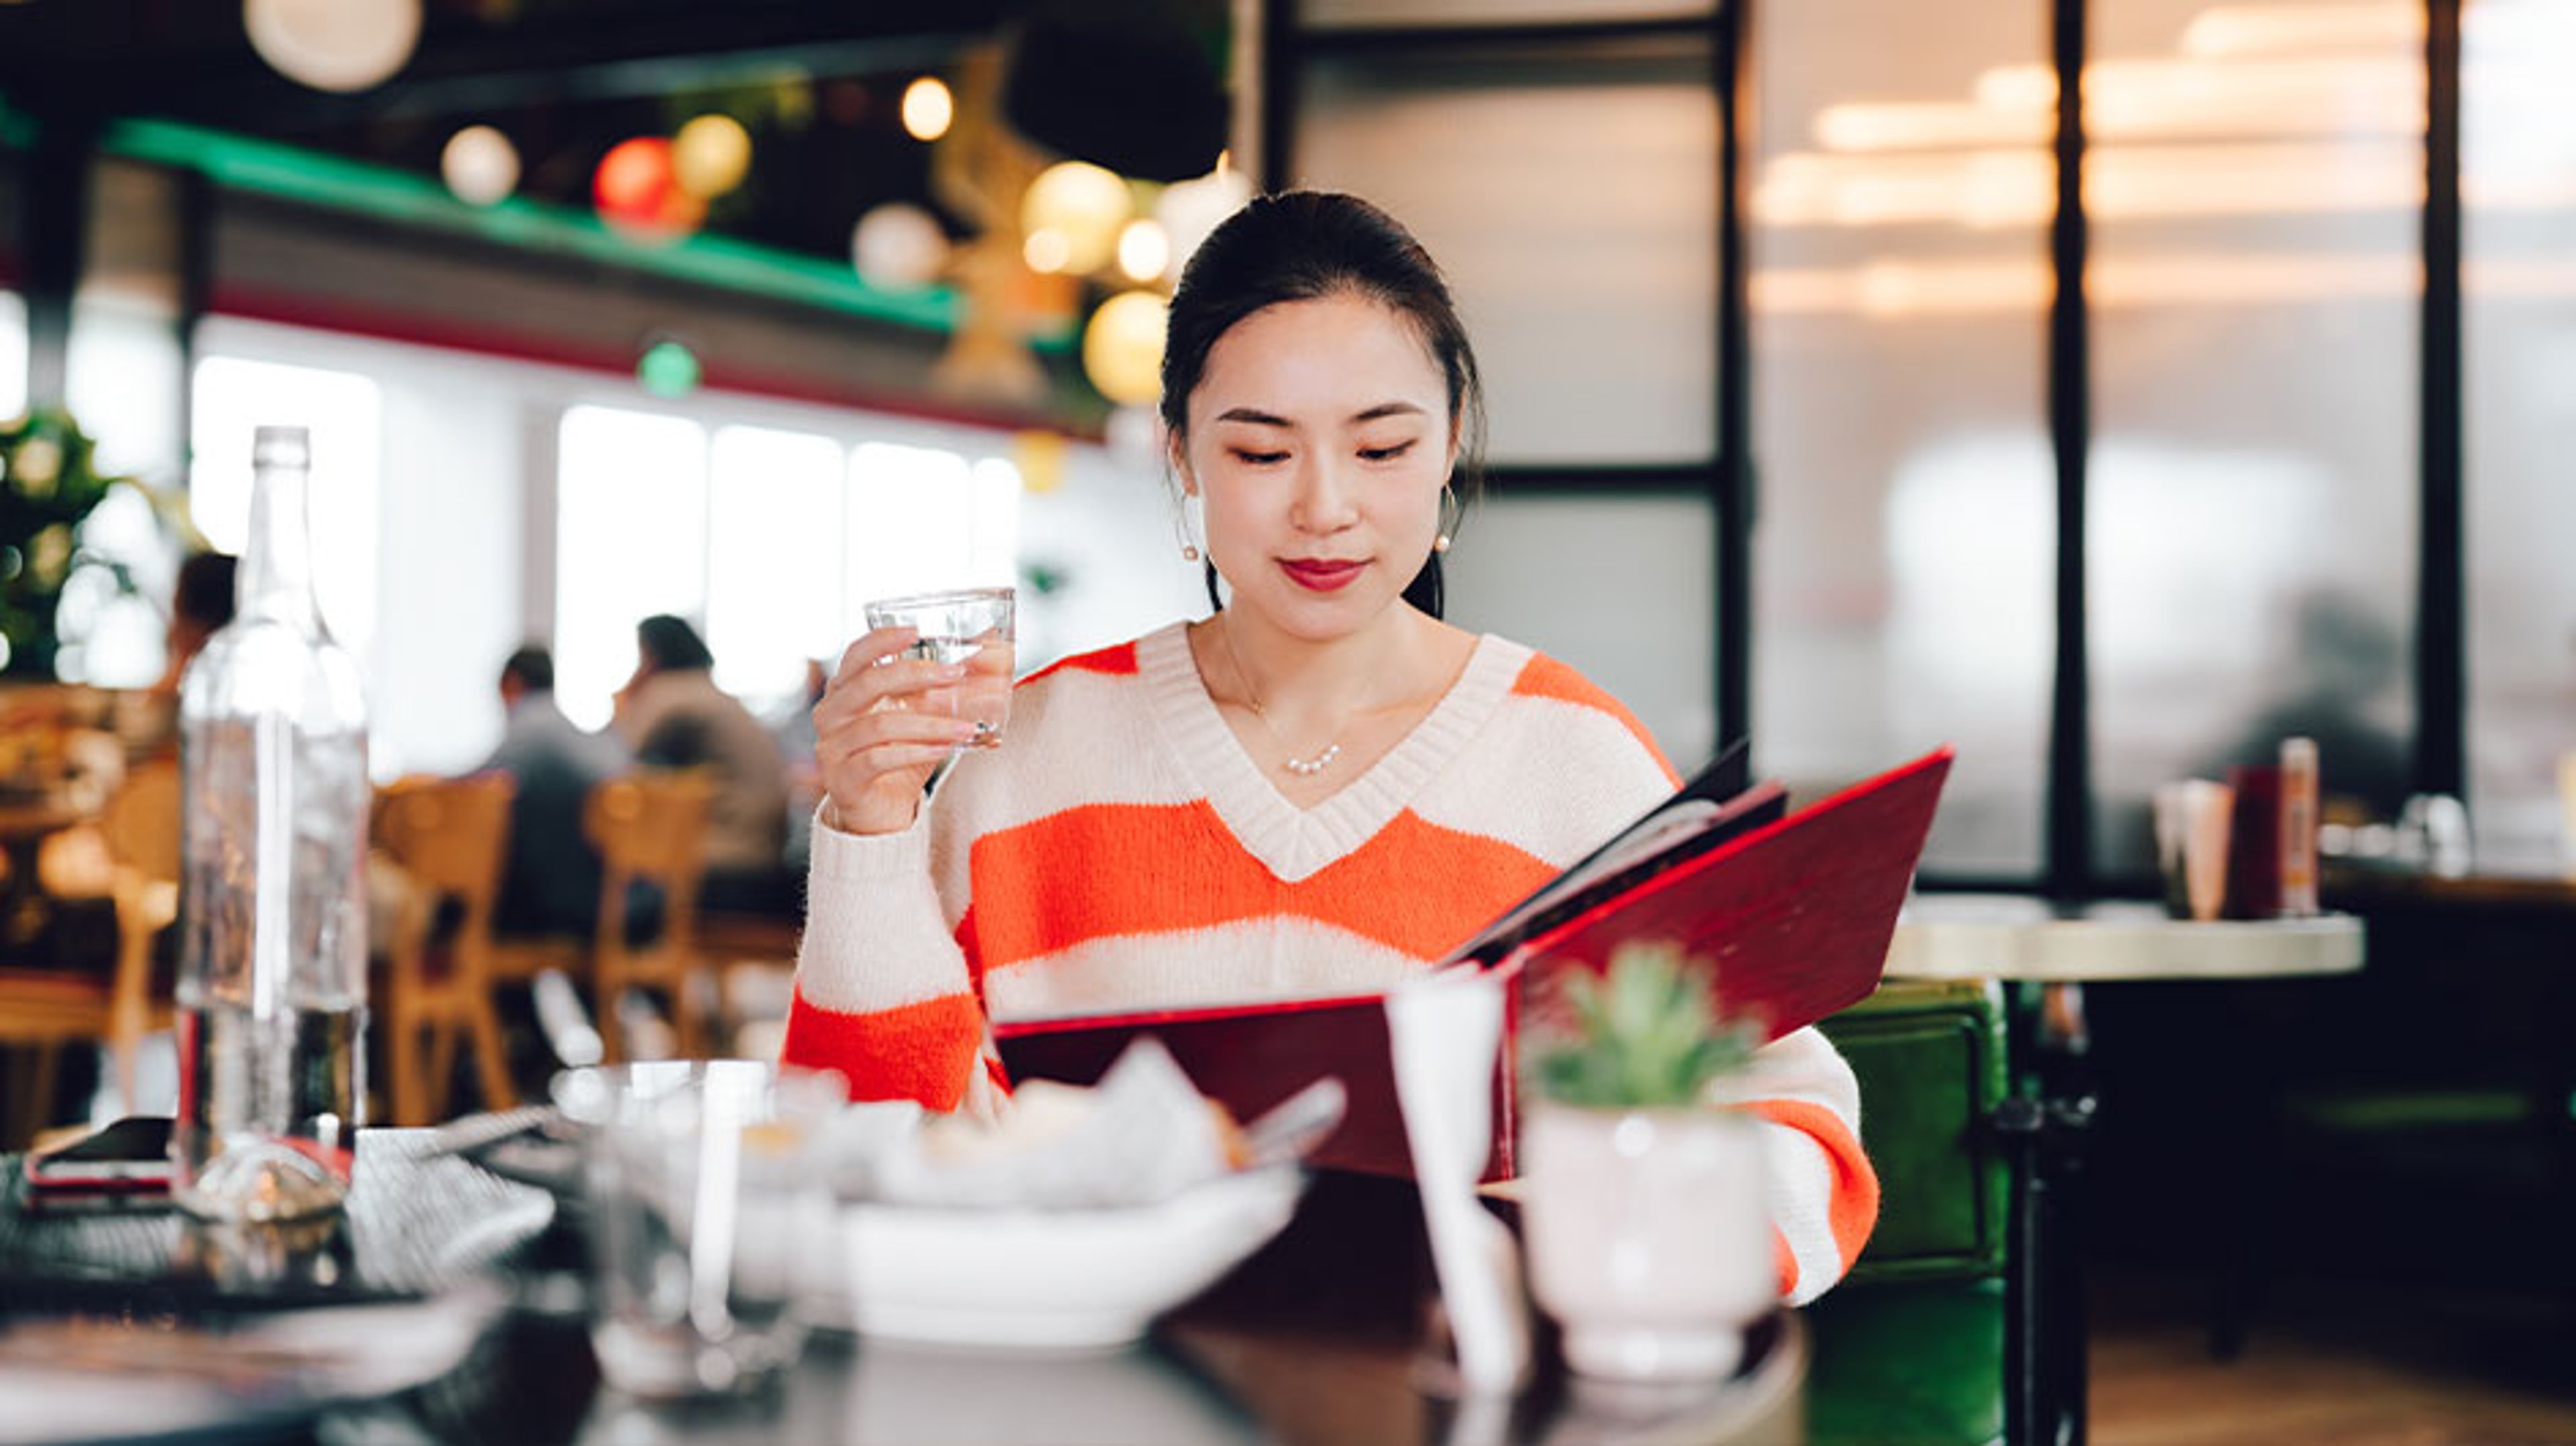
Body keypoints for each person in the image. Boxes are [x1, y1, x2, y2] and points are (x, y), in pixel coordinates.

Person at [784, 192, 1876, 1304]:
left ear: (1451, 444)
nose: (1325, 507)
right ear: (1183, 458)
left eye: (1384, 446)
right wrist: (871, 827)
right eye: (1261, 452)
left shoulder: (1573, 758)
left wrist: (1548, 1261)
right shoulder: (1034, 751)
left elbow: (1793, 1133)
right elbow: (869, 1154)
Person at [612, 615, 794, 915]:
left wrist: (627, 698)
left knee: (607, 871)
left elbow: (615, 756)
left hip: (726, 864)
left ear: (651, 656)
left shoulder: (672, 692)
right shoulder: (712, 693)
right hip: (763, 855)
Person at [479, 645, 627, 937]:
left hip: (578, 900)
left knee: (487, 899)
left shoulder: (533, 725)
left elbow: (479, 785)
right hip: (623, 892)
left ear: (511, 683)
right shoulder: (573, 730)